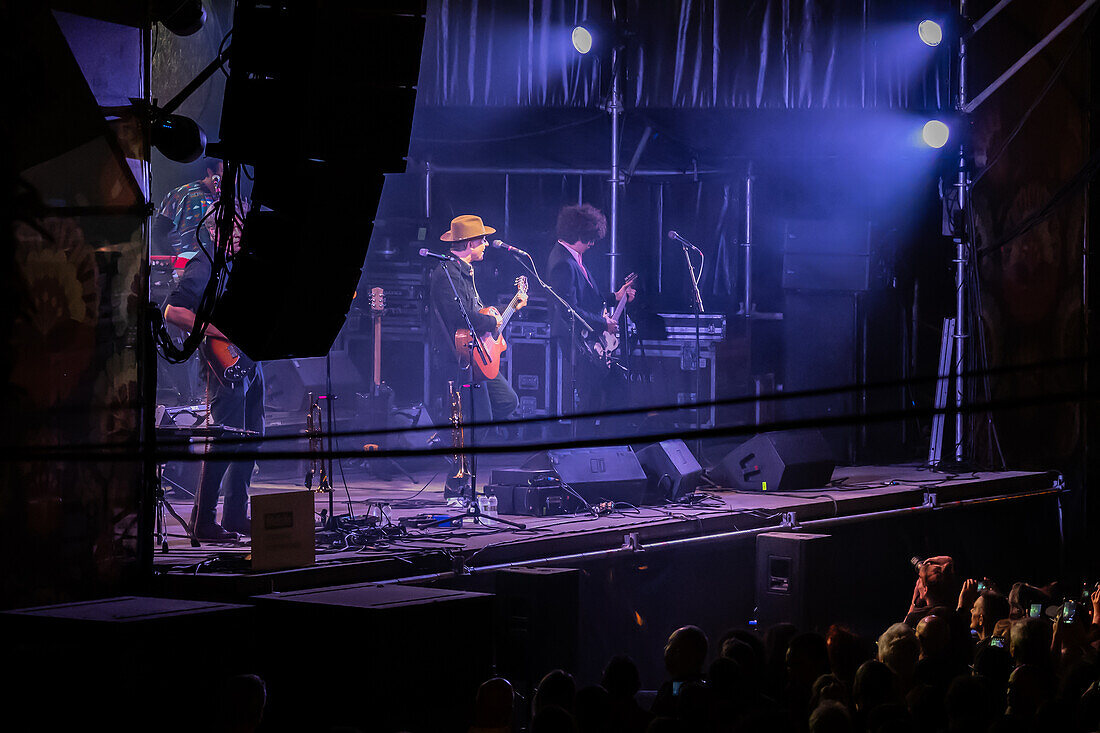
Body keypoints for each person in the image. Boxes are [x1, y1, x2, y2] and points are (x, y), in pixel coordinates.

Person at [164, 201, 260, 541]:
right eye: (233, 229)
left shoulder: (238, 266)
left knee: (251, 439)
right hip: (223, 362)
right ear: (214, 232)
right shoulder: (204, 265)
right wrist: (220, 333)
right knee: (223, 440)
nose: (239, 235)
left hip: (247, 358)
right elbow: (173, 312)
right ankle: (203, 520)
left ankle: (235, 515)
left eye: (241, 228)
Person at [427, 215, 525, 498]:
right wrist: (492, 322)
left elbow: (479, 318)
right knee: (478, 417)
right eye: (481, 240)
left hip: (477, 356)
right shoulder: (446, 273)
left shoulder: (465, 272)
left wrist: (507, 311)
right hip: (458, 360)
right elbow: (461, 318)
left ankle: (453, 447)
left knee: (507, 401)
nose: (485, 244)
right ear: (470, 243)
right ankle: (455, 479)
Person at [547, 204, 635, 428]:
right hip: (576, 339)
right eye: (589, 239)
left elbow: (586, 298)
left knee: (604, 392)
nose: (592, 244)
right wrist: (603, 323)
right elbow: (568, 308)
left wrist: (616, 296)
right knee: (590, 398)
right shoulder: (563, 263)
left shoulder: (572, 256)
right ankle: (586, 447)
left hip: (588, 336)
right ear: (578, 235)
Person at [153, 160, 223, 256]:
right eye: (224, 171)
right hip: (184, 266)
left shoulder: (227, 201)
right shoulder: (182, 194)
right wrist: (175, 263)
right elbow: (158, 232)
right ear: (211, 172)